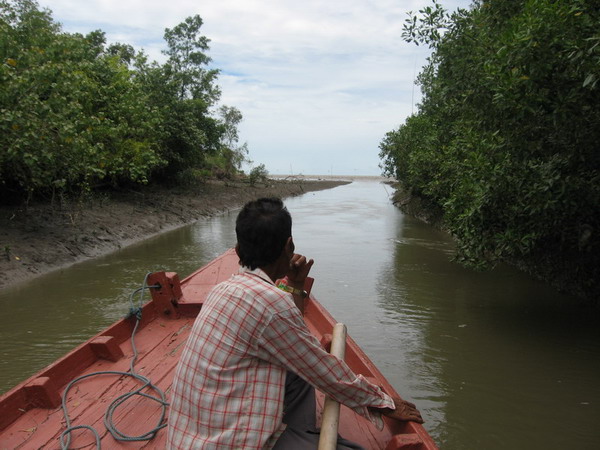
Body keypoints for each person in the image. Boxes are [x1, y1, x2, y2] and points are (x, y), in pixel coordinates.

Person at [167, 197, 423, 449]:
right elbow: (323, 370)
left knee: (297, 371)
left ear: (237, 250)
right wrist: (384, 403)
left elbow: (294, 337)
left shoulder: (224, 289)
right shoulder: (268, 302)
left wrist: (296, 285)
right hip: (225, 443)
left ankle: (301, 432)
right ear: (289, 246)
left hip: (191, 435)